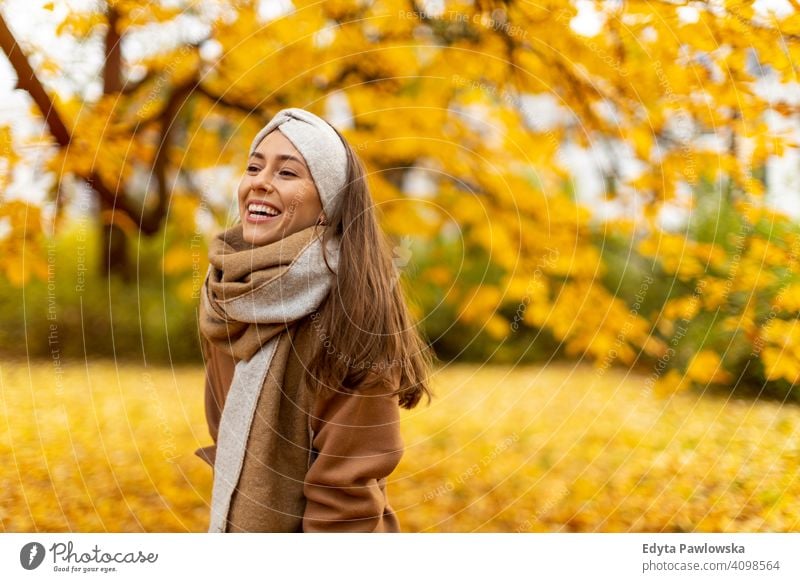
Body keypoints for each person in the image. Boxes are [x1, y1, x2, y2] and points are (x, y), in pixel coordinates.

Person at [195, 107, 435, 533]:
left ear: (328, 204)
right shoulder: (229, 298)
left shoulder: (351, 316)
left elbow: (344, 503)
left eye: (288, 173)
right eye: (254, 166)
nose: (260, 182)